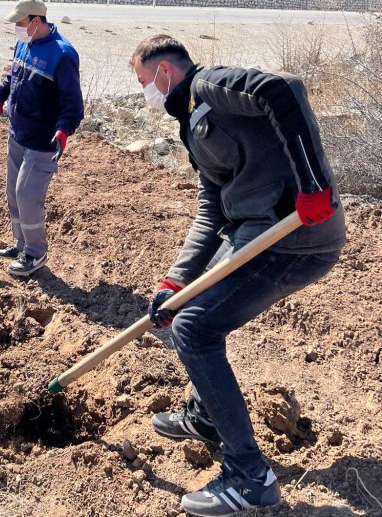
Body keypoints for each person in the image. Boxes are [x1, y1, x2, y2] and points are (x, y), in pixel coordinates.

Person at [131, 34, 345, 517]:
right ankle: (208, 417)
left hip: (296, 235)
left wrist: (313, 185)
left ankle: (250, 478)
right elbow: (212, 209)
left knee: (194, 328)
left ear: (164, 71)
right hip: (255, 232)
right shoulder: (191, 124)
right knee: (185, 308)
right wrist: (175, 282)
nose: (144, 92)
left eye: (143, 80)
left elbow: (283, 90)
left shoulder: (210, 86)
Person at [0, 0, 84, 277]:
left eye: (21, 22)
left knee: (27, 196)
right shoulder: (24, 43)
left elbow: (73, 102)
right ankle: (21, 244)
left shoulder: (62, 54)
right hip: (18, 131)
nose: (17, 27)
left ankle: (35, 252)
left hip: (43, 141)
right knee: (13, 193)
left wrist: (64, 129)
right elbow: (12, 77)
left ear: (36, 21)